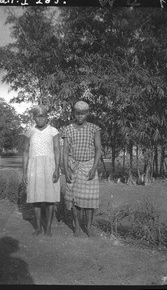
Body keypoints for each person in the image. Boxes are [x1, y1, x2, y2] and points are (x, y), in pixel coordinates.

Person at [62, 100, 101, 237]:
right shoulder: (68, 129)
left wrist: (94, 168)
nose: (80, 116)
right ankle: (77, 227)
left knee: (89, 200)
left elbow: (98, 149)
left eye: (83, 114)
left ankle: (88, 227)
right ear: (74, 113)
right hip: (73, 166)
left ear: (87, 114)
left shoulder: (94, 128)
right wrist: (66, 170)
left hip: (89, 166)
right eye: (77, 114)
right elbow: (65, 151)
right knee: (74, 199)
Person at [22, 105, 60, 237]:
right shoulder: (29, 132)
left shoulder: (53, 131)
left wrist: (57, 168)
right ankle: (38, 227)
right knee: (36, 199)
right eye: (37, 116)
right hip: (34, 167)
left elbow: (56, 150)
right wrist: (24, 171)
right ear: (34, 117)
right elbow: (26, 152)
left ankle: (48, 228)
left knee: (50, 199)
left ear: (47, 117)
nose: (40, 118)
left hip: (50, 166)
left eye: (43, 115)